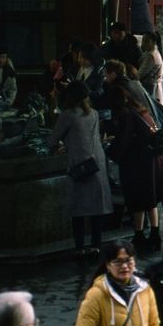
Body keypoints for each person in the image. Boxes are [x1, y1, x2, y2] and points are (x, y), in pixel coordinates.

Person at [107, 80, 163, 253]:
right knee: (150, 199)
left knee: (137, 199)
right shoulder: (141, 110)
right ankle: (155, 233)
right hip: (153, 160)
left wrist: (110, 151)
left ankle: (138, 234)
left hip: (138, 163)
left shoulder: (126, 115)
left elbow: (124, 141)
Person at [47, 81, 112, 256]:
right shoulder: (94, 114)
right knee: (96, 207)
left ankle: (79, 247)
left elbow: (52, 140)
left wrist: (60, 145)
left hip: (79, 165)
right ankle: (96, 245)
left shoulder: (68, 115)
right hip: (96, 163)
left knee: (78, 208)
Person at [74, 240, 160, 326]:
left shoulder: (145, 289)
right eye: (117, 262)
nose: (124, 266)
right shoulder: (96, 294)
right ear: (108, 265)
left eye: (128, 260)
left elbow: (154, 324)